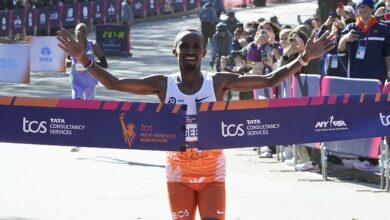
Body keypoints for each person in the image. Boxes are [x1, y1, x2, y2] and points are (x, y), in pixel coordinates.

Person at [56, 26, 335, 220]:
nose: (190, 50)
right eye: (184, 46)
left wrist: (304, 58)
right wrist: (84, 59)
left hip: (213, 172)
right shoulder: (161, 85)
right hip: (178, 174)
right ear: (174, 51)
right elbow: (115, 84)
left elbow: (270, 80)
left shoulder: (219, 81)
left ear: (203, 52)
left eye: (196, 46)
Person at [67, 23, 108, 152]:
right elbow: (67, 60)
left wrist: (90, 64)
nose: (79, 34)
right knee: (77, 106)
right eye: (77, 32)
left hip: (90, 82)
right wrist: (68, 63)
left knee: (88, 109)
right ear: (75, 33)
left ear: (86, 33)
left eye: (82, 32)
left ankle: (90, 133)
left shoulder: (93, 45)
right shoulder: (71, 45)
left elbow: (105, 64)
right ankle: (77, 141)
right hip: (76, 81)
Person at [338, 0, 390, 82]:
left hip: (377, 80)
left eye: (365, 6)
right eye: (360, 7)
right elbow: (341, 50)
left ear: (371, 9)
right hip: (355, 79)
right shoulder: (350, 28)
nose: (362, 9)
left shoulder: (383, 29)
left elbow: (387, 55)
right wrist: (344, 39)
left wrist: (389, 74)